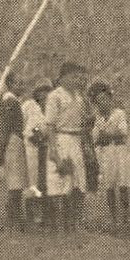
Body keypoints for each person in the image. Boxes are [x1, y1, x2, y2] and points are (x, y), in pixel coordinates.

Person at [43, 62, 91, 233]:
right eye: (73, 77)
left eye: (78, 77)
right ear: (63, 78)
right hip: (60, 138)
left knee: (78, 182)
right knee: (60, 180)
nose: (76, 80)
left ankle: (75, 223)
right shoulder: (55, 96)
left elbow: (85, 121)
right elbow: (50, 126)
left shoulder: (79, 97)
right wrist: (54, 150)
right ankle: (60, 224)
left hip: (76, 139)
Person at [89, 81, 130, 229]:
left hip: (119, 151)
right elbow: (96, 138)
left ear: (110, 99)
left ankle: (125, 216)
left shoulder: (119, 114)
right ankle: (114, 217)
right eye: (99, 102)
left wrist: (107, 134)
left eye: (105, 100)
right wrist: (107, 135)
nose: (103, 104)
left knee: (123, 184)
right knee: (109, 185)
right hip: (106, 153)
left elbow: (122, 133)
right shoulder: (98, 119)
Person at [0, 70, 29, 231]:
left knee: (17, 181)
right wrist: (1, 150)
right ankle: (14, 218)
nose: (22, 86)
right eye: (18, 83)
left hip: (16, 141)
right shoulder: (10, 101)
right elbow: (6, 128)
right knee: (15, 182)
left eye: (23, 83)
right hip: (13, 141)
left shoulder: (14, 101)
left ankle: (16, 216)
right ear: (9, 85)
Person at [22, 78, 53, 229]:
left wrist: (42, 137)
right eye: (42, 92)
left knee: (44, 182)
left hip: (44, 149)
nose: (45, 95)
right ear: (37, 94)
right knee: (32, 181)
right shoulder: (29, 106)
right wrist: (33, 135)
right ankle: (31, 215)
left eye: (48, 92)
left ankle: (44, 216)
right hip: (30, 148)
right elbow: (23, 126)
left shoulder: (50, 110)